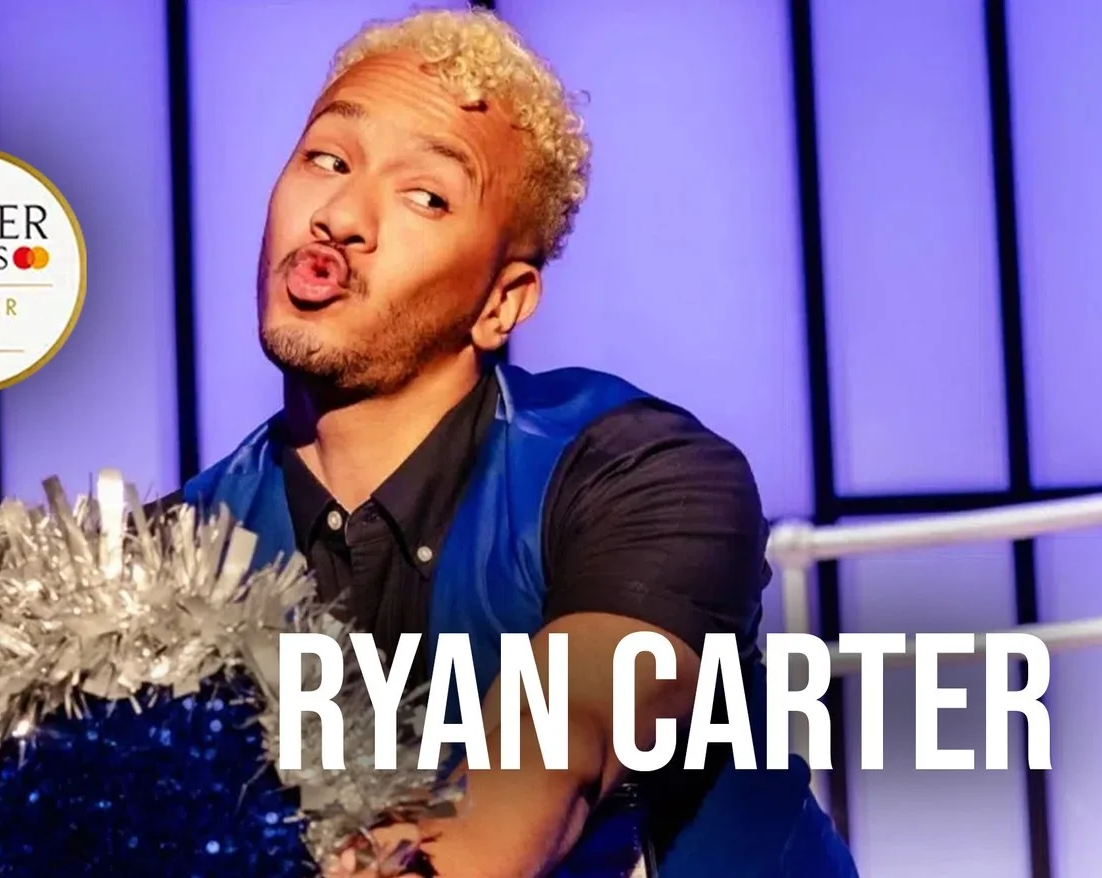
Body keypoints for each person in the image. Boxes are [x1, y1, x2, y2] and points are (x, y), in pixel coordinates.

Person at [167, 9, 857, 877]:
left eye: (425, 196)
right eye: (328, 160)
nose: (342, 215)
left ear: (504, 302)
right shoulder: (174, 551)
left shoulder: (642, 477)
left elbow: (567, 730)